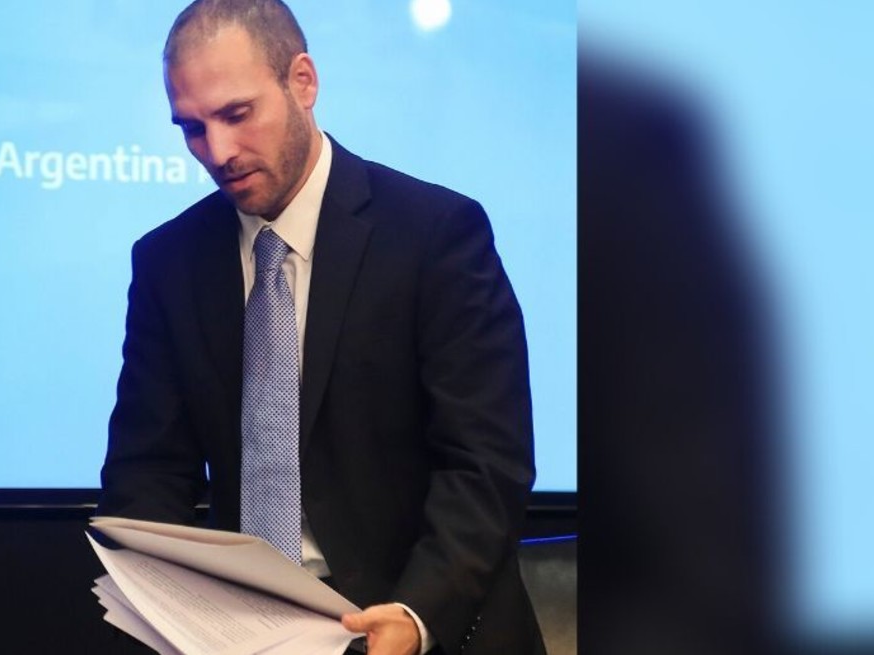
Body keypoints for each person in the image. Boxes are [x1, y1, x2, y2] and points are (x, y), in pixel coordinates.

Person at [98, 1, 543, 653]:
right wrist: (162, 606)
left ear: (302, 82)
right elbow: (147, 473)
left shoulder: (435, 235)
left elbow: (485, 462)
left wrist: (416, 615)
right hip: (243, 633)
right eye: (192, 128)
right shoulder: (169, 261)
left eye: (237, 114)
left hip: (415, 619)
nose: (217, 152)